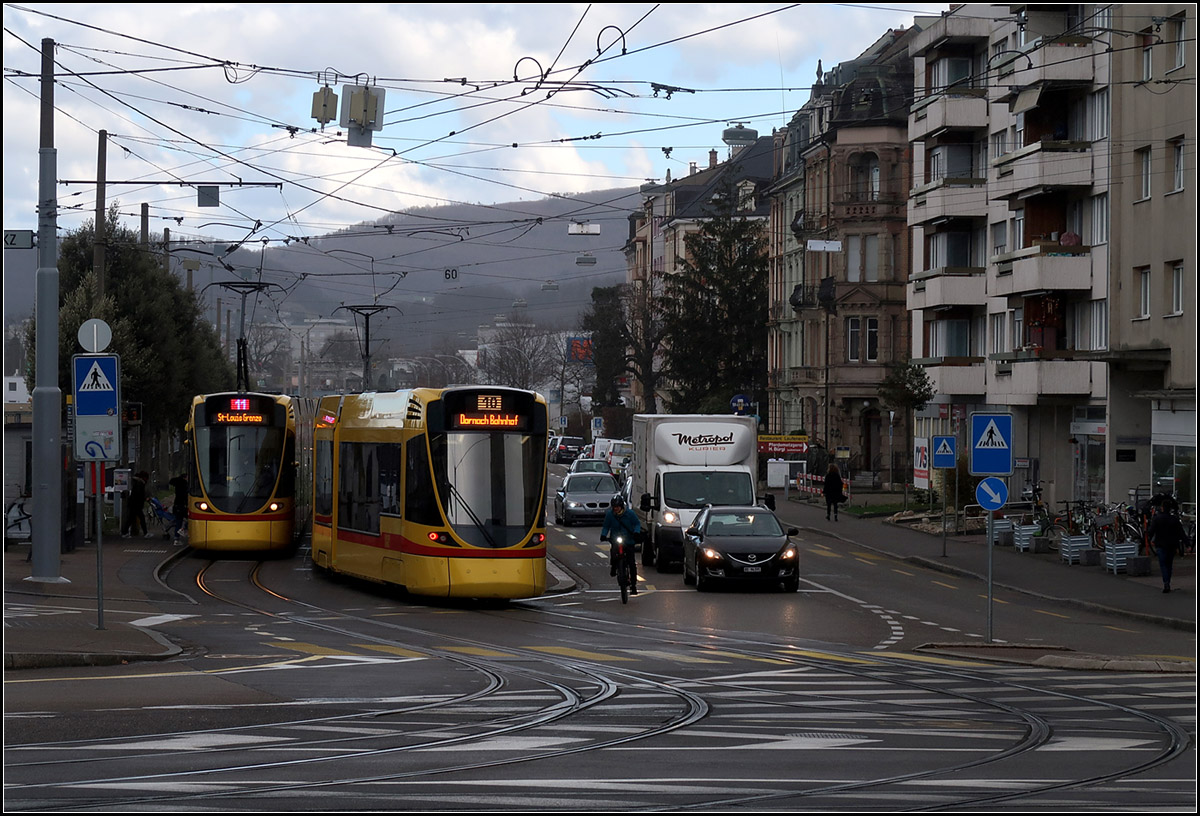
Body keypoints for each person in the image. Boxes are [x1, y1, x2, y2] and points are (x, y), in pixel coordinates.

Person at [600, 495, 641, 595]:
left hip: (628, 540)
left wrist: (636, 532)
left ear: (621, 506)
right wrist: (603, 535)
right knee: (614, 553)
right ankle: (614, 567)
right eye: (614, 507)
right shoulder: (610, 515)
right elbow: (606, 526)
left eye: (617, 507)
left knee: (631, 563)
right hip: (615, 539)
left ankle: (633, 585)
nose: (615, 509)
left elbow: (637, 524)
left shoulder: (630, 514)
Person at [1148, 497, 1187, 593]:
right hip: (1172, 544)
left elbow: (1151, 531)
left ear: (1162, 508)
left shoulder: (1157, 519)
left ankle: (1166, 583)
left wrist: (1148, 539)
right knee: (1169, 564)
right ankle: (1167, 581)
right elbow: (1181, 532)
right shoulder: (1174, 519)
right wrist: (1187, 543)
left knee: (1163, 564)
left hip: (1160, 544)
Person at [121, 470, 149, 538]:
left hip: (134, 504)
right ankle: (145, 533)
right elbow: (139, 494)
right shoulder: (140, 484)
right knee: (141, 518)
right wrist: (145, 498)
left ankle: (124, 532)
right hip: (136, 504)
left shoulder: (137, 483)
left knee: (131, 518)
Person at [168, 473, 189, 543]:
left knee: (178, 521)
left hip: (177, 505)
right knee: (189, 519)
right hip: (182, 505)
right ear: (185, 477)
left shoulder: (178, 484)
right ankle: (183, 529)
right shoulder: (184, 485)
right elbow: (185, 496)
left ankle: (176, 538)